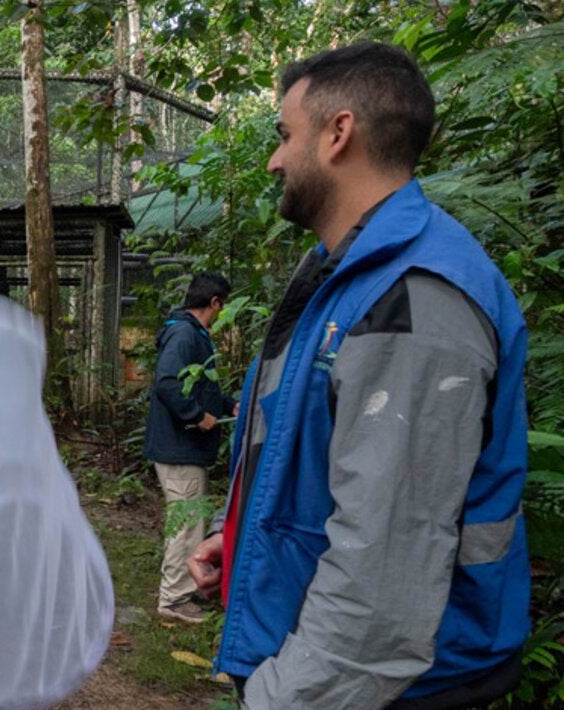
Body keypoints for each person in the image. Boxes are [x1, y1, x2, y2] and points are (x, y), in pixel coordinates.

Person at [186, 42, 529, 709]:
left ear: (339, 132)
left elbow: (385, 581)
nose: (274, 160)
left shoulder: (415, 298)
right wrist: (255, 540)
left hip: (382, 689)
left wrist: (282, 700)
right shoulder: (345, 279)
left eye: (285, 136)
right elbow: (324, 462)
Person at [143, 272, 236, 625]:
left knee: (190, 519)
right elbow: (168, 382)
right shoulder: (184, 334)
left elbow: (197, 384)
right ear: (215, 302)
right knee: (188, 523)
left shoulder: (191, 334)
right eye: (222, 306)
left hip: (184, 446)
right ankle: (174, 599)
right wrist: (197, 416)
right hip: (178, 446)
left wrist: (228, 406)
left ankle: (184, 588)